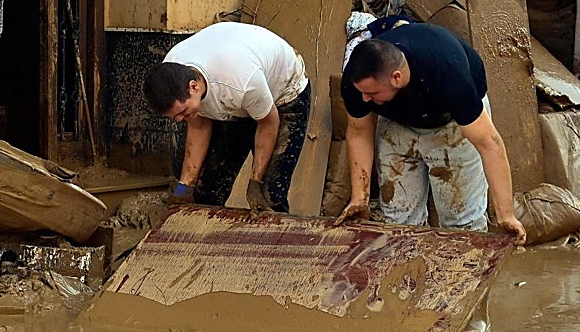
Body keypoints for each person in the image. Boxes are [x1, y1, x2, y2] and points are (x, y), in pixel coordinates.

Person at [335, 21, 526, 239]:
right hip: (398, 123)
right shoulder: (358, 81)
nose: (364, 99)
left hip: (452, 122)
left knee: (461, 225)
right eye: (362, 93)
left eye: (372, 93)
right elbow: (359, 133)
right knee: (398, 223)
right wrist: (360, 196)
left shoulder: (448, 75)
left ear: (396, 77)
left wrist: (506, 214)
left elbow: (489, 144)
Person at [143, 22, 311, 213]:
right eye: (175, 116)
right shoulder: (172, 71)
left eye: (182, 112)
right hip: (234, 95)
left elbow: (268, 124)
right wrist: (184, 187)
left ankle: (274, 239)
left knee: (269, 195)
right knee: (206, 192)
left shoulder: (241, 82)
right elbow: (198, 127)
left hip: (283, 94)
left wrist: (256, 182)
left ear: (194, 86)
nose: (180, 119)